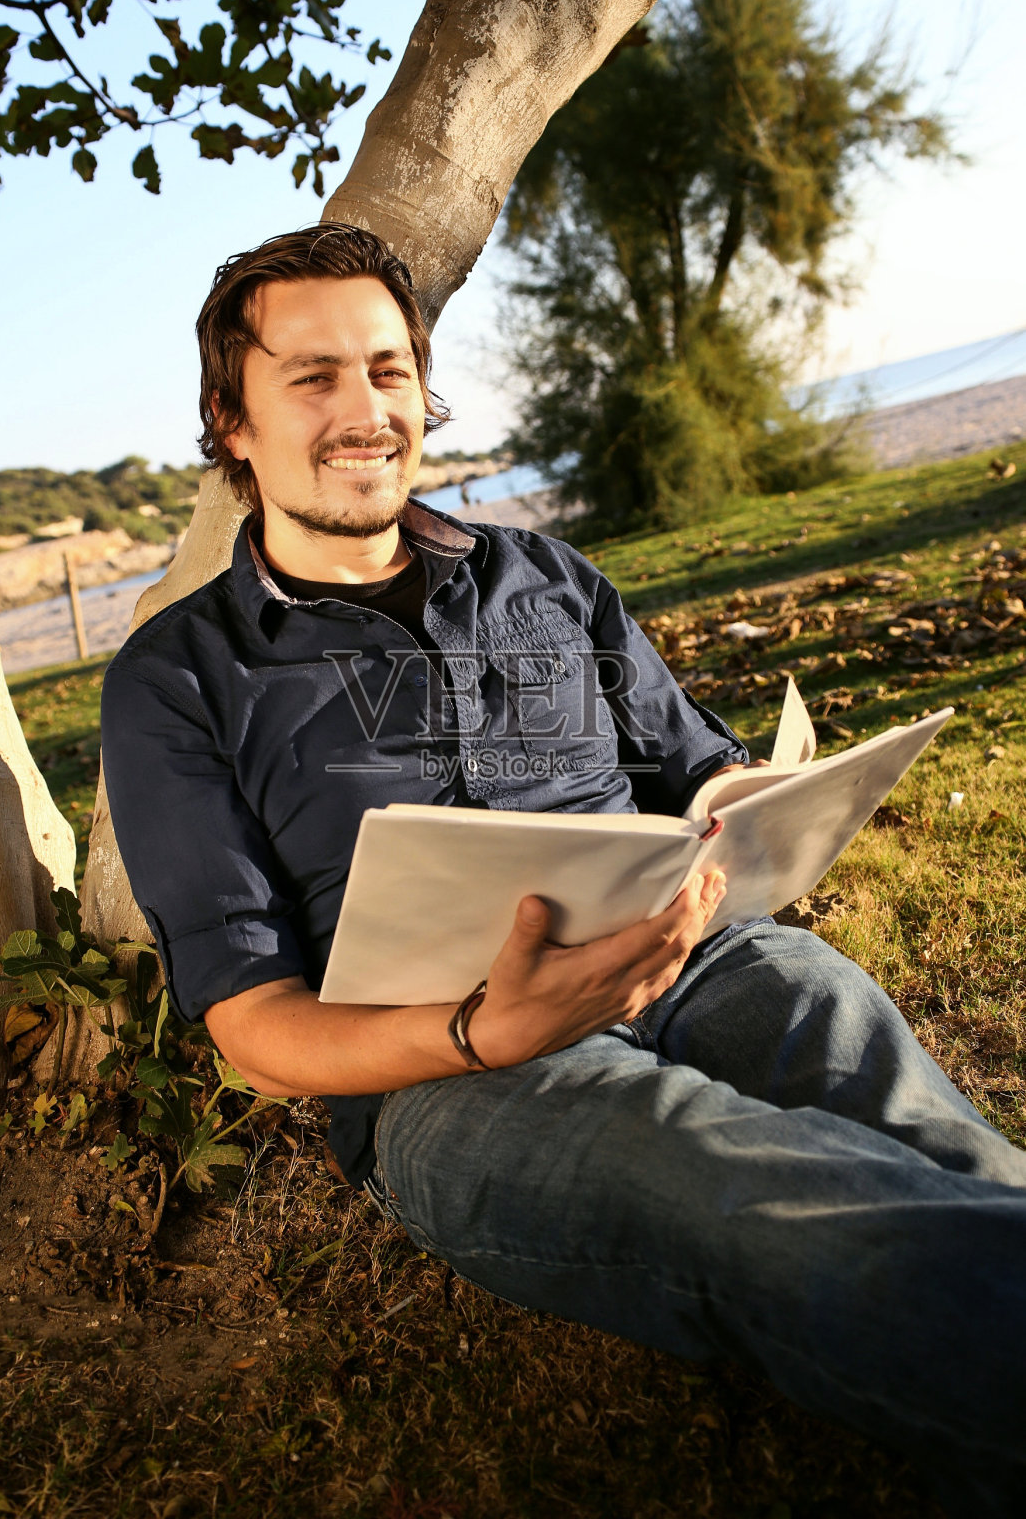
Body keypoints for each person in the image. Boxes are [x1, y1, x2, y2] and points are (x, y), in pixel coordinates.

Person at [101, 224, 1026, 1517]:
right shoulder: (175, 681)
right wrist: (483, 1029)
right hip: (458, 1072)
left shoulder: (545, 578)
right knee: (751, 1187)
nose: (363, 411)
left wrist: (757, 804)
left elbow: (694, 765)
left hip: (701, 958)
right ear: (232, 421)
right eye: (312, 377)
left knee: (896, 1097)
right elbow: (255, 1031)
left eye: (387, 369)